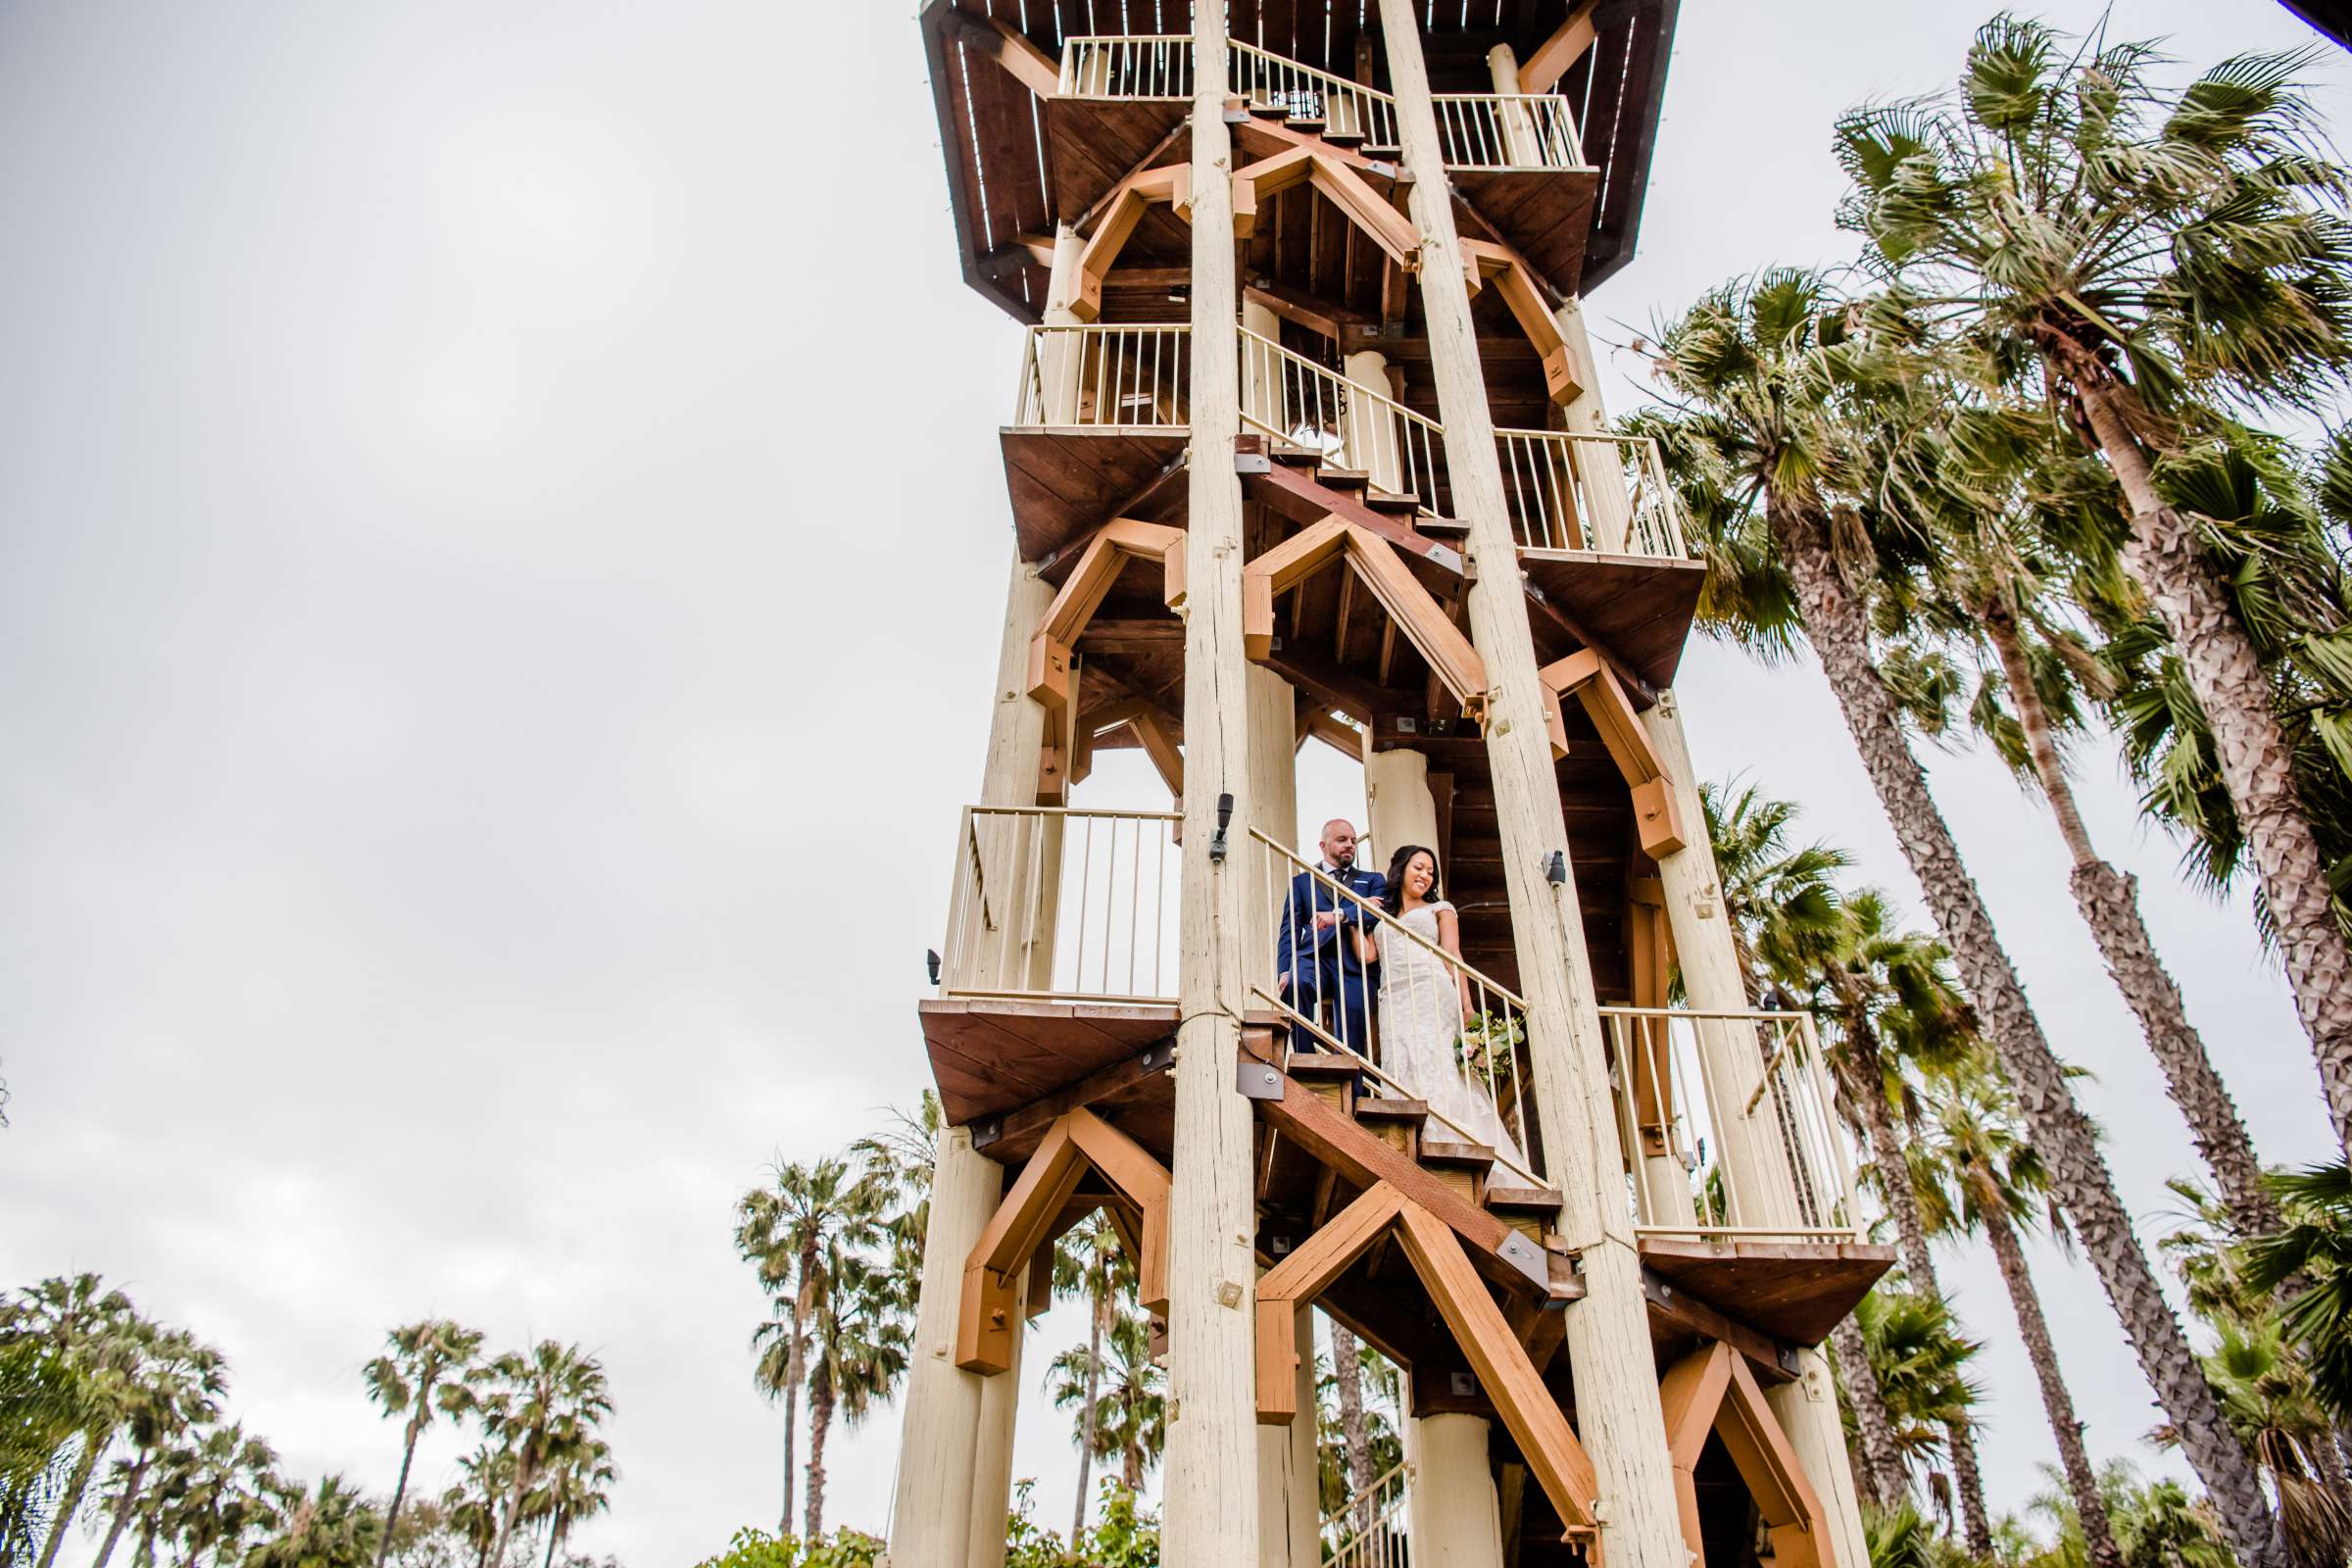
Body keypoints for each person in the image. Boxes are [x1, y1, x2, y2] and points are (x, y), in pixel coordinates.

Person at [1355, 844, 1522, 1158]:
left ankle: (1452, 1135)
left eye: (1431, 872)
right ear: (1401, 868)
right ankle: (1410, 1137)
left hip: (1430, 987)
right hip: (1393, 997)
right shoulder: (1380, 917)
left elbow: (1452, 955)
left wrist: (1467, 1005)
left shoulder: (1440, 909)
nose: (1425, 875)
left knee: (1435, 1058)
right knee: (1401, 1059)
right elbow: (1368, 954)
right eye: (1419, 867)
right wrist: (1355, 916)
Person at [1272, 818, 1382, 1055]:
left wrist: (1341, 914)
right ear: (1323, 845)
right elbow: (1289, 930)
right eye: (1342, 840)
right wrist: (1283, 969)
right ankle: (1304, 1056)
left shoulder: (1372, 880)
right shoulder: (1302, 882)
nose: (1350, 845)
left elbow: (1380, 913)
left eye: (1353, 840)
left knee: (1352, 1033)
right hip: (1314, 956)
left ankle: (1353, 1088)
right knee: (1295, 983)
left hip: (1355, 963)